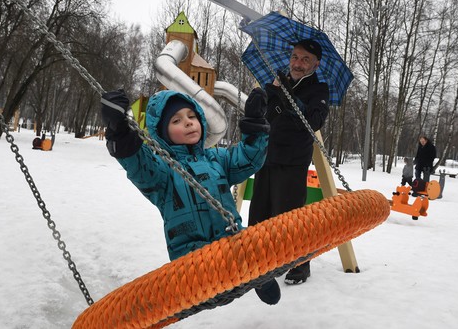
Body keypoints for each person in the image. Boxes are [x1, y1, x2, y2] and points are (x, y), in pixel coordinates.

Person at [101, 87, 281, 305]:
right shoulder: (163, 170)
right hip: (193, 259)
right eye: (176, 121)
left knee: (254, 244)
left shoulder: (217, 158)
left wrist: (255, 125)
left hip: (232, 243)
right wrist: (120, 131)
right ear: (161, 132)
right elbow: (140, 164)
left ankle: (260, 276)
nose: (187, 122)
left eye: (192, 116)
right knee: (206, 273)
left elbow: (247, 158)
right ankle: (209, 290)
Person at [248, 38, 330, 286]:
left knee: (290, 217)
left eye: (305, 59)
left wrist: (292, 101)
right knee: (260, 213)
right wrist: (271, 94)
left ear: (315, 64)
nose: (298, 63)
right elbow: (267, 117)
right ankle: (257, 261)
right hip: (267, 156)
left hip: (293, 161)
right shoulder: (277, 82)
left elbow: (314, 122)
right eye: (295, 57)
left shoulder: (319, 90)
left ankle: (299, 265)